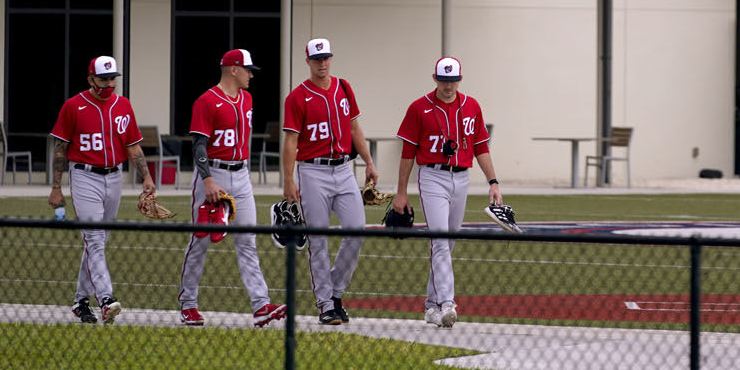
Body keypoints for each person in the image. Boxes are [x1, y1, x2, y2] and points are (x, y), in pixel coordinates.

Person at [177, 48, 287, 328]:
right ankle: (188, 304)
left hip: (241, 174)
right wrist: (207, 180)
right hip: (213, 174)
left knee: (248, 241)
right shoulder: (206, 100)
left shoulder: (247, 98)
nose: (251, 75)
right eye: (248, 70)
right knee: (200, 241)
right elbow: (198, 145)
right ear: (234, 69)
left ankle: (261, 305)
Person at [391, 55, 500, 328]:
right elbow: (408, 153)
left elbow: (480, 147)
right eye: (443, 80)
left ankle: (431, 306)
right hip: (432, 176)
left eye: (452, 80)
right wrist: (401, 192)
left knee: (448, 243)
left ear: (460, 79)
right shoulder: (419, 108)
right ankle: (448, 303)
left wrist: (493, 181)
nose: (448, 85)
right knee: (440, 240)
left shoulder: (471, 106)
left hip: (461, 177)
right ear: (434, 79)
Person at [47, 55, 154, 325]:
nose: (108, 84)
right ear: (90, 78)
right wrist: (56, 187)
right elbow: (60, 149)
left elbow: (133, 146)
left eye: (112, 78)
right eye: (103, 79)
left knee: (99, 240)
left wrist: (146, 177)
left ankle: (80, 301)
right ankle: (106, 299)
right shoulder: (74, 106)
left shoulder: (123, 105)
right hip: (84, 176)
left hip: (115, 176)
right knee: (94, 238)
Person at [281, 37, 379, 325]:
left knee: (357, 230)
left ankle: (335, 292)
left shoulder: (343, 88)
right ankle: (325, 304)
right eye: (316, 59)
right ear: (308, 61)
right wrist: (288, 179)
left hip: (344, 168)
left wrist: (369, 162)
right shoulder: (297, 97)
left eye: (325, 58)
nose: (322, 63)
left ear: (331, 59)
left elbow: (354, 128)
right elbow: (291, 141)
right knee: (318, 239)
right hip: (312, 171)